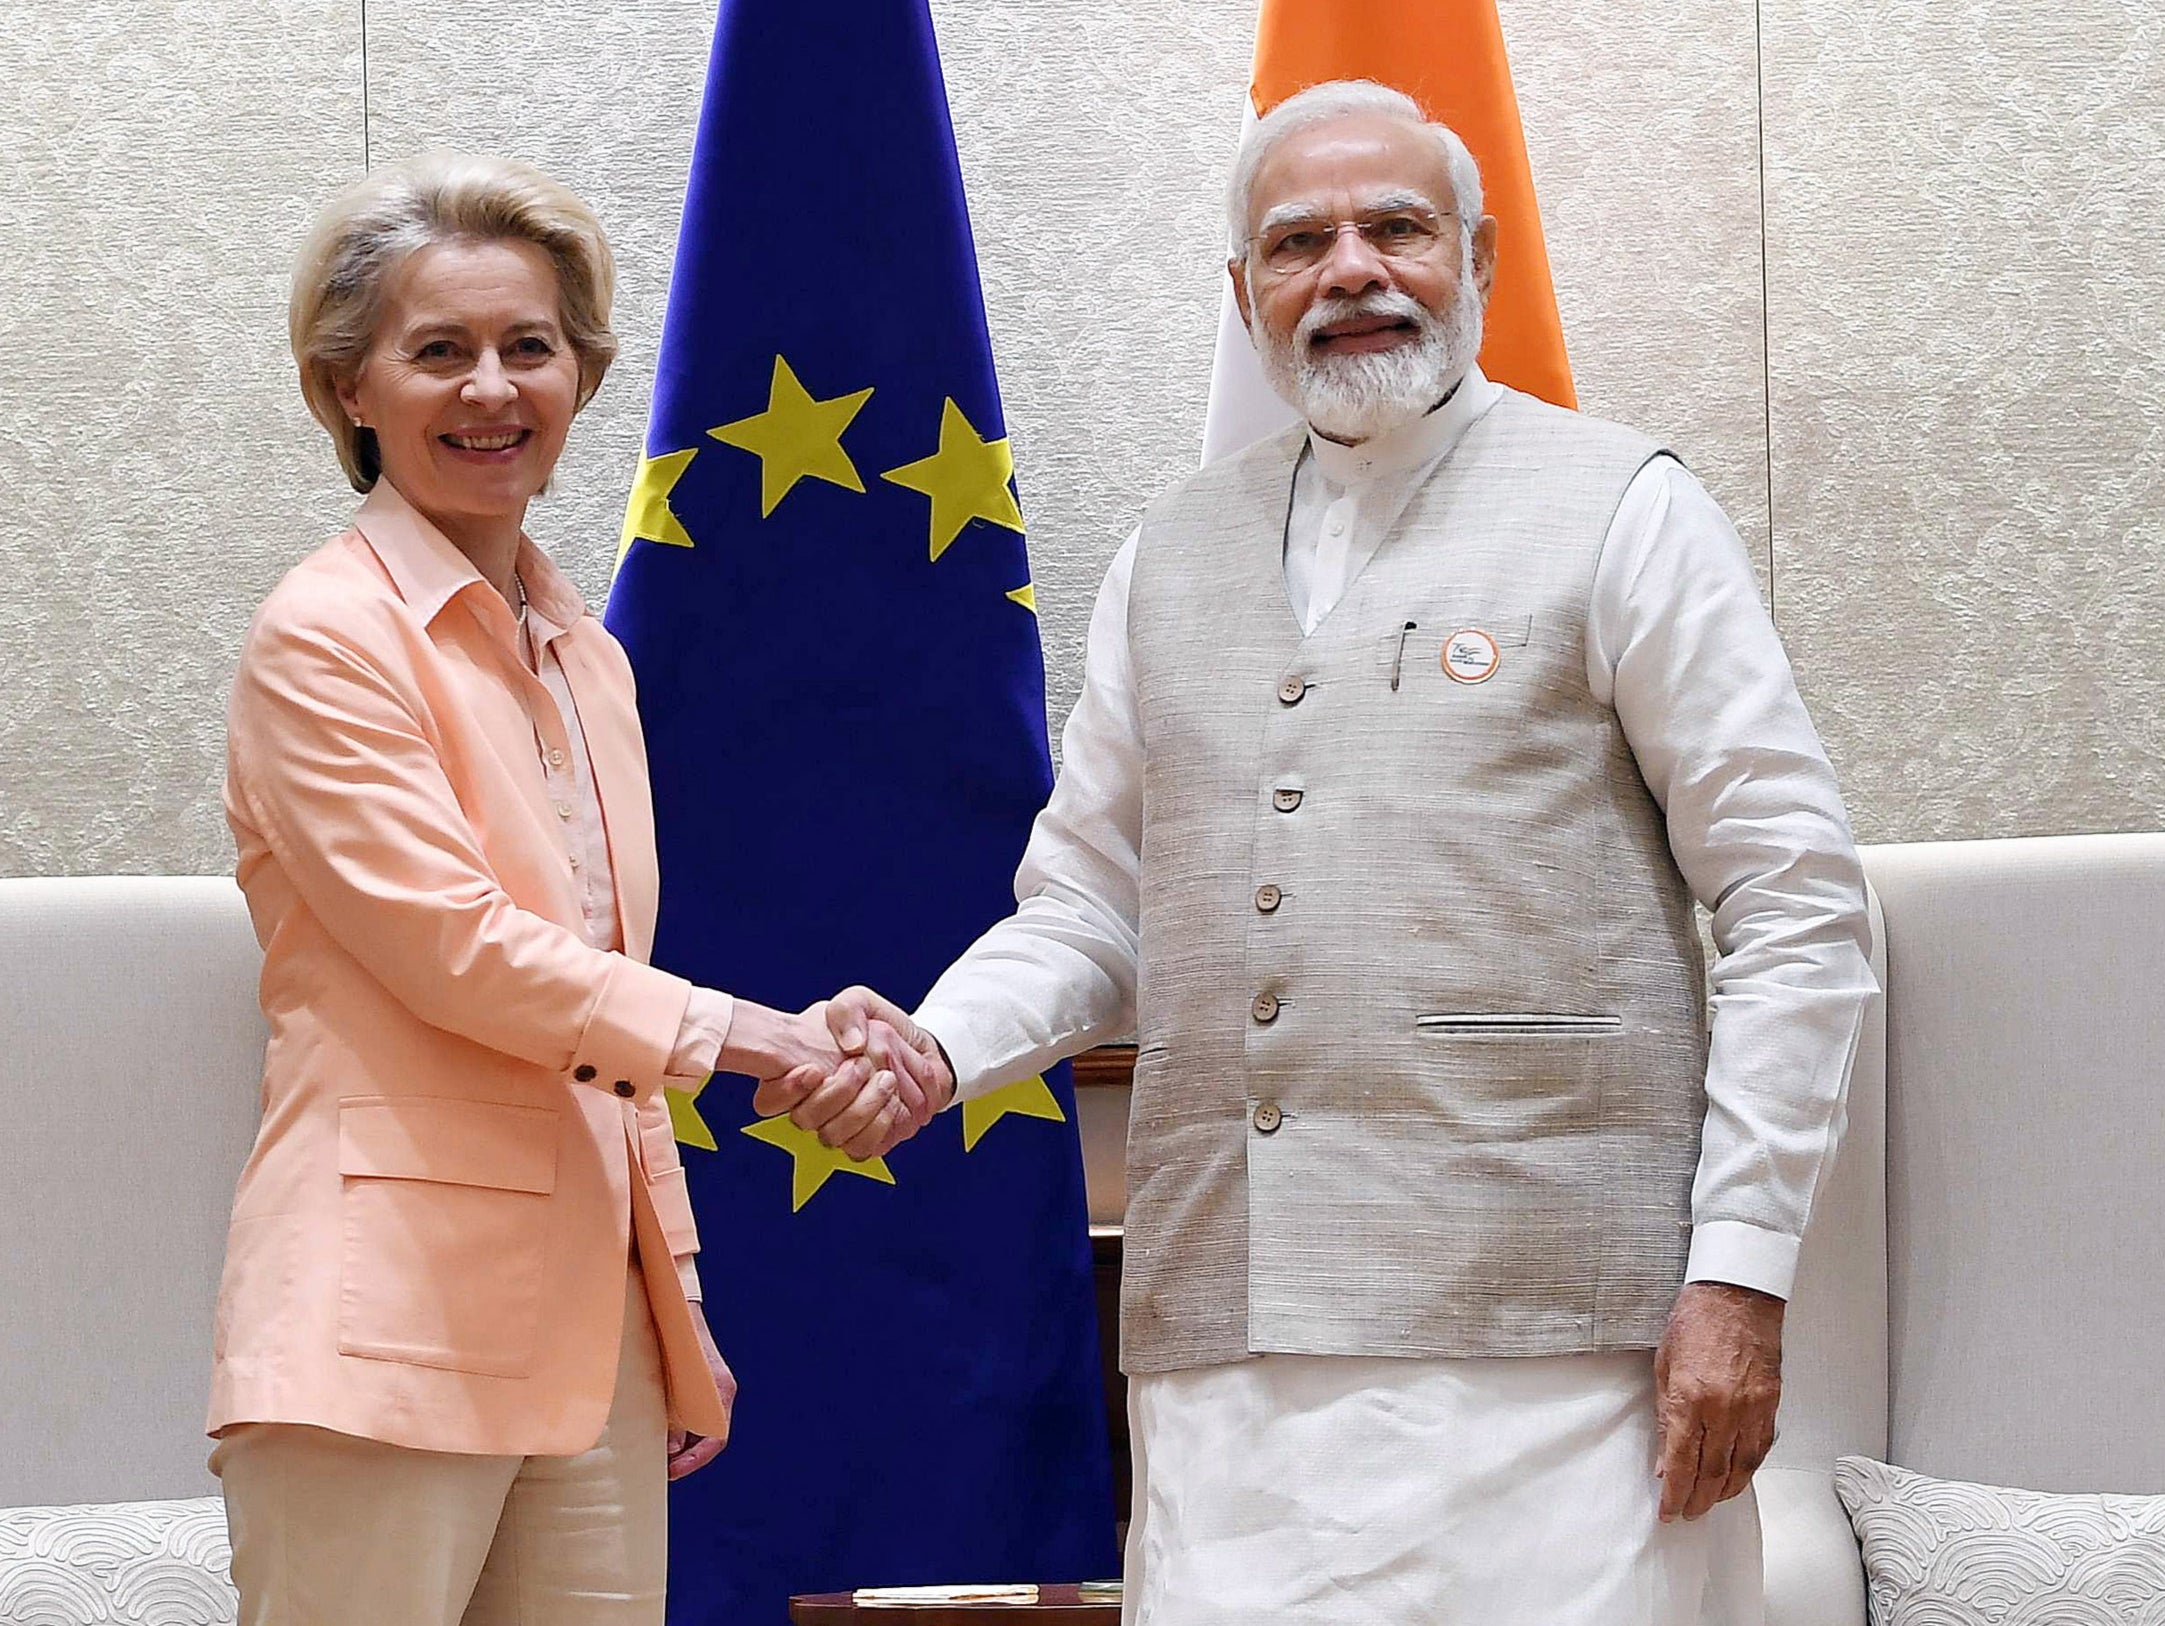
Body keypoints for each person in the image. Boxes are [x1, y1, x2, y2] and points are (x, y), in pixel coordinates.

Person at [790, 81, 1878, 1624]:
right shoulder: (1171, 552)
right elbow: (1094, 905)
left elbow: (1795, 903)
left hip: (1561, 1360)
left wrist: (1742, 1272)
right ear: (1243, 298)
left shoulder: (1626, 509)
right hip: (1232, 1369)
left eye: (1395, 228)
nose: (1350, 269)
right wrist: (933, 1048)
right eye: (1297, 242)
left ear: (1478, 260)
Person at [206, 151, 935, 1626]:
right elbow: (465, 955)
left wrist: (671, 1301)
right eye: (438, 351)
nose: (491, 388)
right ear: (350, 386)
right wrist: (770, 1039)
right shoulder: (325, 638)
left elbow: (594, 1016)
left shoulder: (584, 652)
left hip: (591, 1332)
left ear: (583, 377)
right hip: (383, 1318)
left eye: (527, 346)